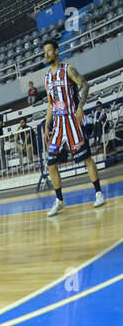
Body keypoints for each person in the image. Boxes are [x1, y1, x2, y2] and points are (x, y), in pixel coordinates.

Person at [42, 38, 106, 217]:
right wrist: (47, 125)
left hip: (72, 121)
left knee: (86, 158)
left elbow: (85, 84)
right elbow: (50, 104)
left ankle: (98, 193)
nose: (46, 54)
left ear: (56, 51)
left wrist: (80, 107)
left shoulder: (68, 70)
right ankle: (59, 200)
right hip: (58, 125)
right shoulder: (47, 78)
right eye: (44, 52)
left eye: (48, 51)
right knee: (51, 163)